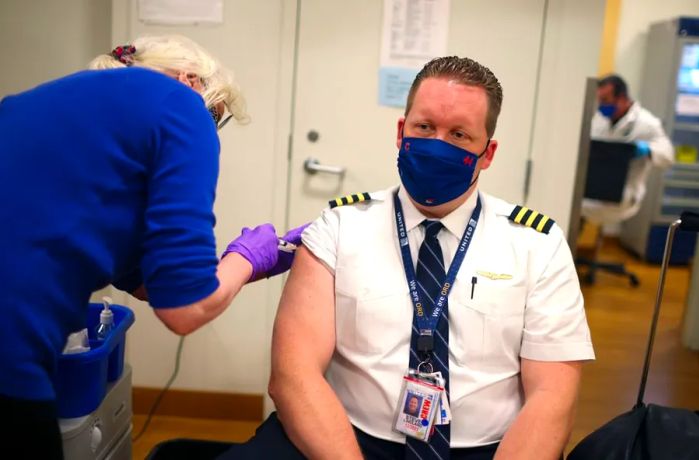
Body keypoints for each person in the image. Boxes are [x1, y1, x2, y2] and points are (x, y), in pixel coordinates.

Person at [211, 56, 594, 460]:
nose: (436, 145)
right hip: (342, 437)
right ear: (401, 131)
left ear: (488, 153)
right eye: (424, 127)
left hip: (485, 449)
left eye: (459, 135)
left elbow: (552, 396)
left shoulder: (538, 244)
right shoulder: (339, 227)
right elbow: (293, 376)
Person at [0, 35, 305, 459]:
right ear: (191, 80)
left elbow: (147, 282)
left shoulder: (48, 104)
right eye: (215, 117)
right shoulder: (181, 104)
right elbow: (184, 310)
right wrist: (249, 259)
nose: (210, 131)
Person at [584, 74, 674, 223]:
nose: (601, 105)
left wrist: (647, 149)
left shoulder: (647, 123)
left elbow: (668, 156)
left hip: (624, 196)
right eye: (600, 100)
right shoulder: (599, 119)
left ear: (622, 98)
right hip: (595, 190)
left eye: (605, 100)